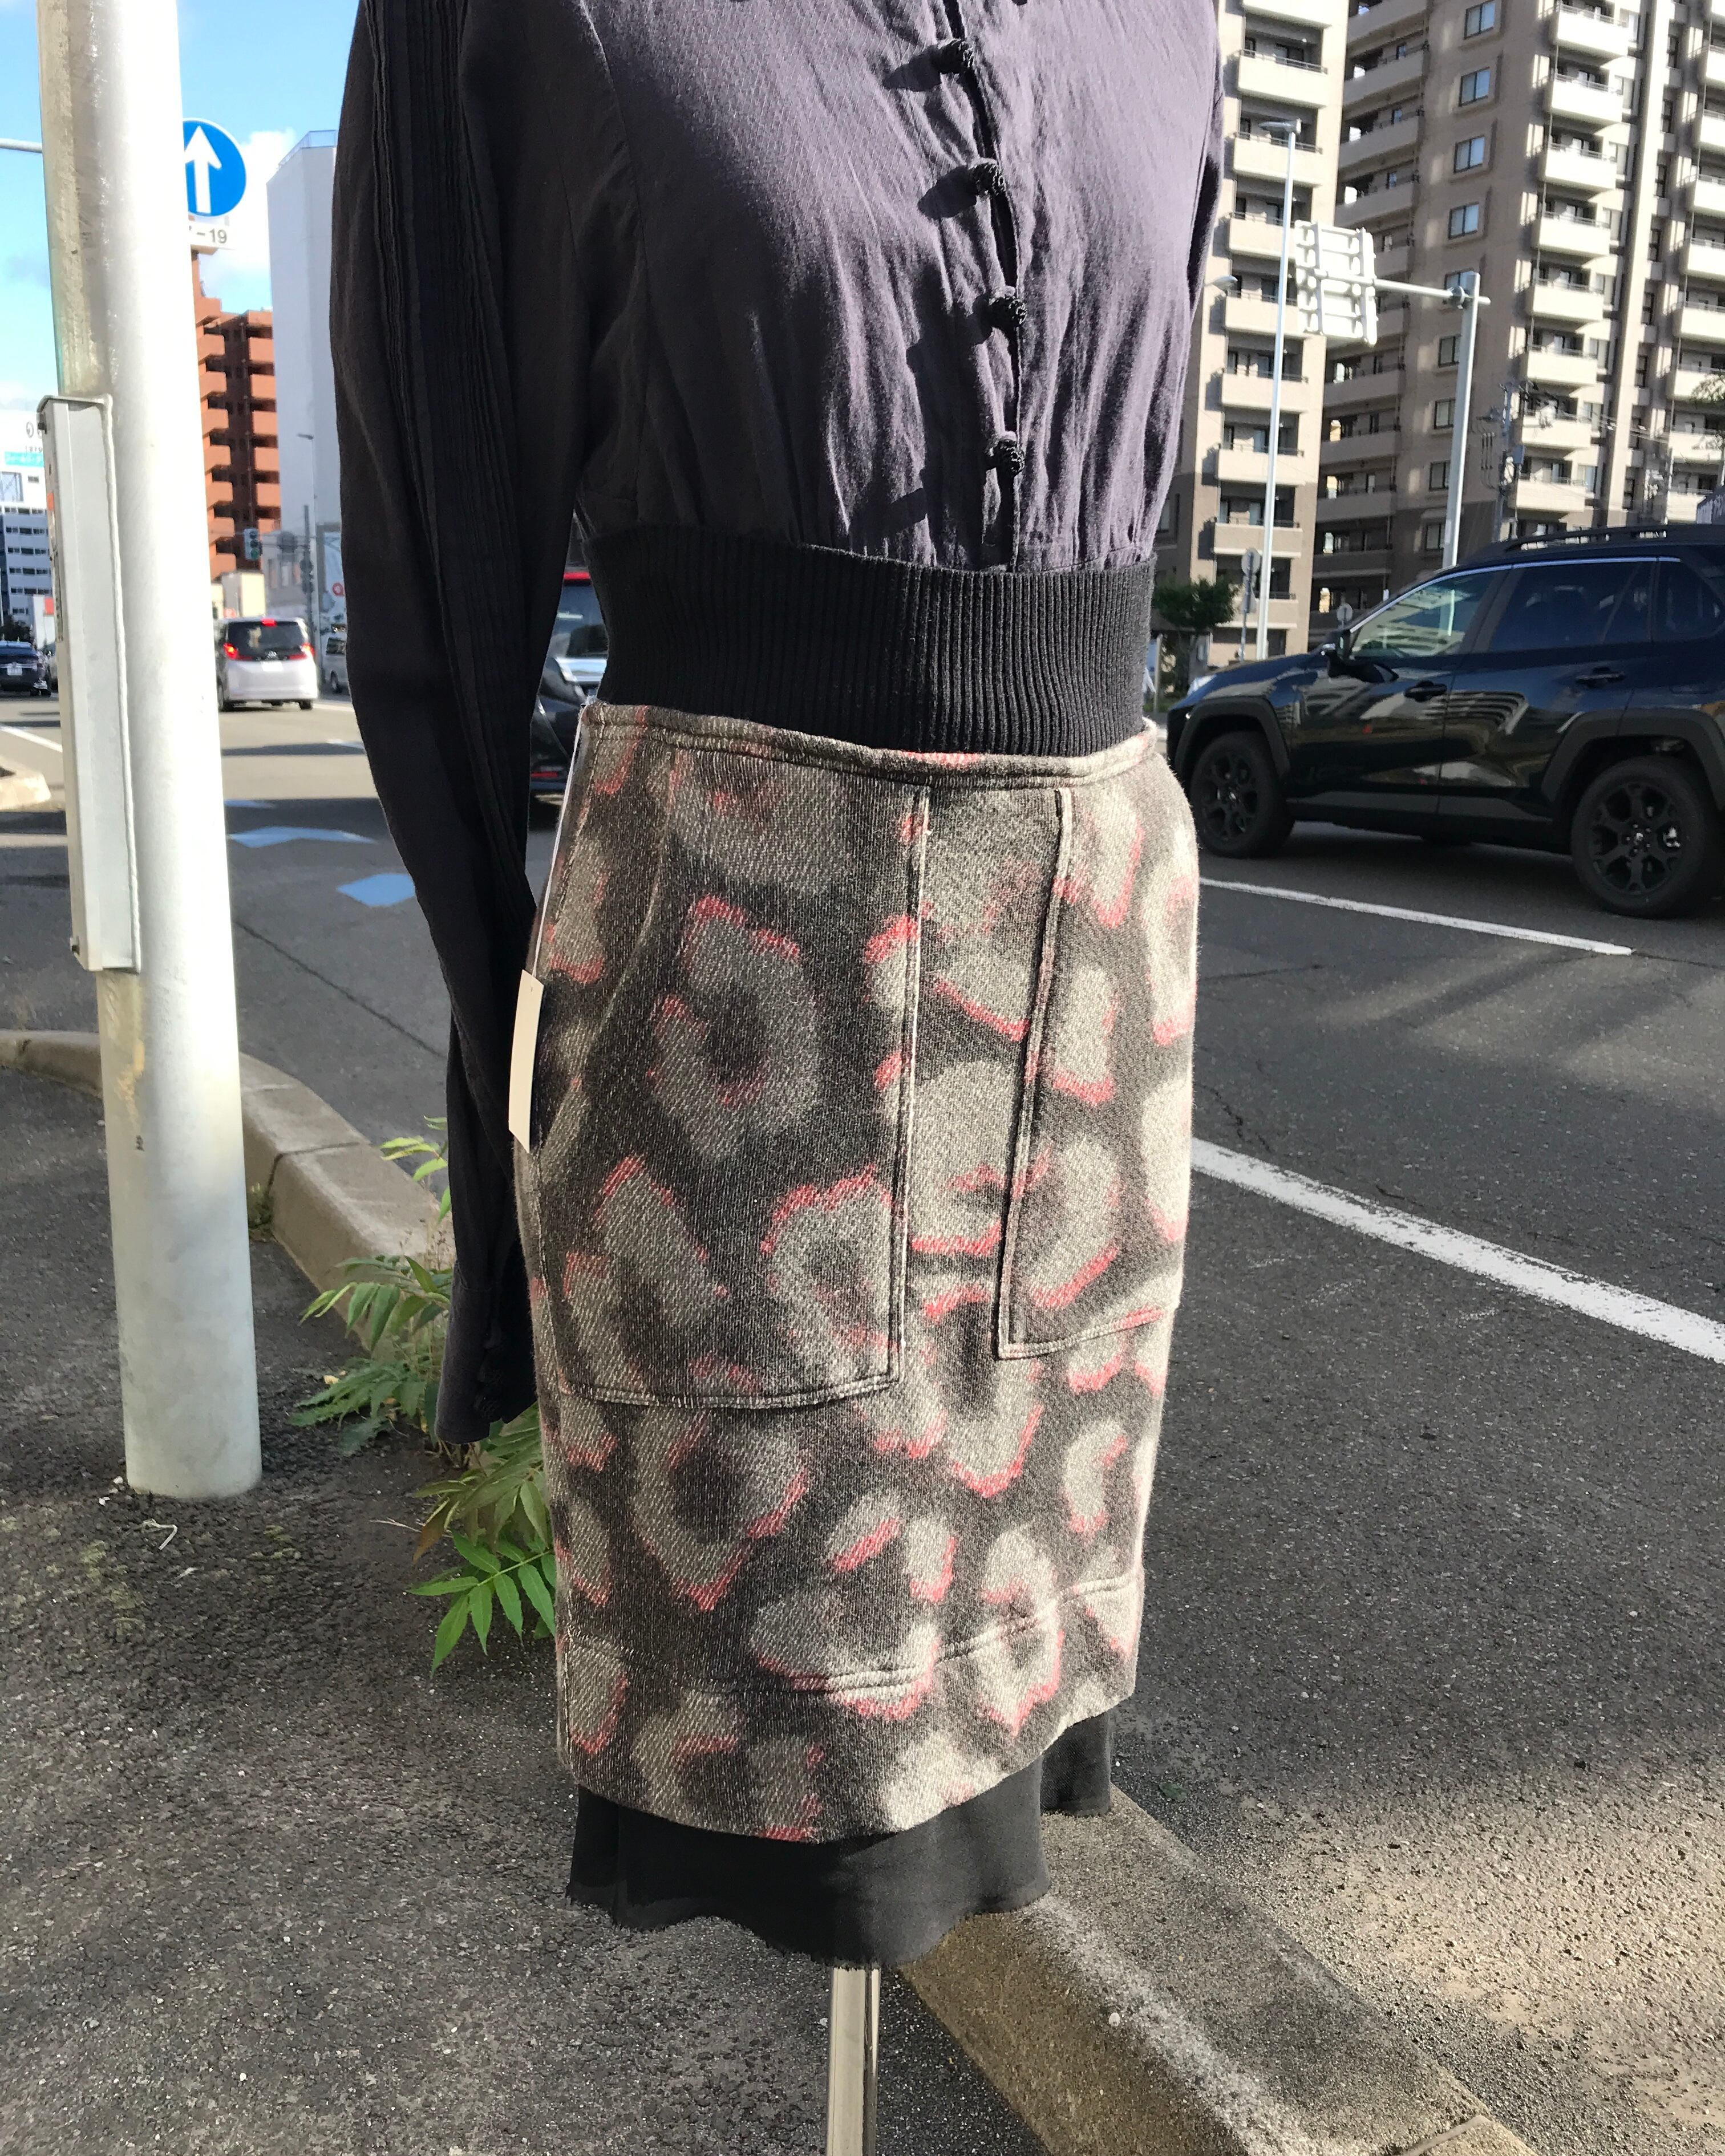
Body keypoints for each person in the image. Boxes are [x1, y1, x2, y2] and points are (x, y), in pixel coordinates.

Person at [333, 0, 1218, 1975]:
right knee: (777, 1726)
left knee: (1022, 1671)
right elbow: (438, 632)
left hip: (1088, 1015)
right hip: (737, 1010)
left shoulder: (1176, 19)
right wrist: (509, 1219)